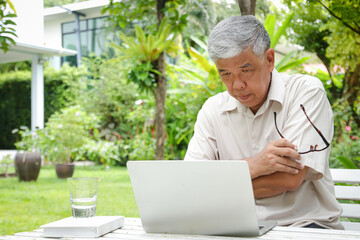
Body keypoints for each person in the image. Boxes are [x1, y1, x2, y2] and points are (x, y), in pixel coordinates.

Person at [184, 15, 343, 229]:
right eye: (226, 74)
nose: (237, 85)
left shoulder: (305, 93)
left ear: (269, 59)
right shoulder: (212, 110)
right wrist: (254, 165)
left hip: (303, 226)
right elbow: (191, 183)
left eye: (246, 70)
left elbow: (289, 180)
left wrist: (214, 187)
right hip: (235, 227)